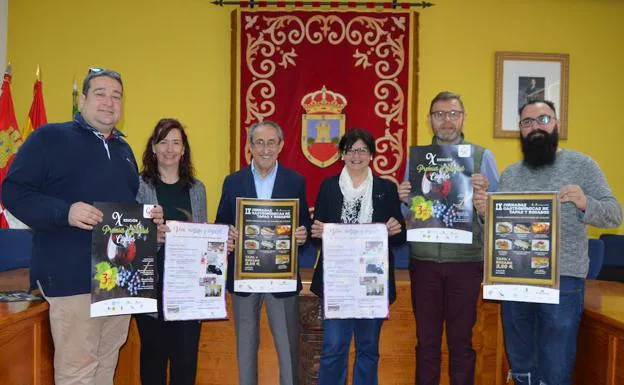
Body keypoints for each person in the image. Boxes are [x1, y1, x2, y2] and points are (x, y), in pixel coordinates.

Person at [1, 68, 164, 385]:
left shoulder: (124, 151)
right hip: (71, 276)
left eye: (116, 96)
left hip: (119, 277)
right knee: (78, 370)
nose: (109, 102)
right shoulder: (49, 138)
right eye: (101, 93)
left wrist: (148, 227)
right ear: (83, 99)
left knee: (107, 363)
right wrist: (65, 212)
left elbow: (122, 214)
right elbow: (14, 191)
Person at [474, 100, 622, 384]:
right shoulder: (510, 174)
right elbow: (498, 232)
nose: (535, 126)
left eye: (543, 118)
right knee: (521, 364)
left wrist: (584, 202)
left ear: (556, 124)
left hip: (562, 282)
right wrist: (484, 214)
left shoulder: (582, 165)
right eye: (527, 122)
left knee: (555, 366)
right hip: (515, 281)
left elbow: (615, 214)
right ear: (520, 131)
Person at [397, 91, 499, 385]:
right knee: (426, 343)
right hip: (424, 262)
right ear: (430, 120)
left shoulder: (481, 157)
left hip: (465, 264)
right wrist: (403, 198)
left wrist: (485, 199)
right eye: (439, 114)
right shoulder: (417, 159)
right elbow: (409, 214)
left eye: (453, 114)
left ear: (463, 117)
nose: (447, 120)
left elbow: (498, 214)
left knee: (461, 343)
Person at [215, 120, 311, 385]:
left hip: (282, 278)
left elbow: (305, 224)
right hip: (244, 280)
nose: (265, 149)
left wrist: (302, 233)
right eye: (259, 142)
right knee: (245, 351)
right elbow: (220, 223)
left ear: (281, 145)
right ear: (250, 146)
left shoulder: (295, 181)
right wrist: (228, 233)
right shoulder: (234, 182)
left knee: (288, 350)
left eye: (271, 142)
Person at [309, 128, 406, 385]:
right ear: (342, 154)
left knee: (368, 349)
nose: (357, 155)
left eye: (363, 149)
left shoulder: (386, 188)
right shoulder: (329, 187)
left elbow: (398, 239)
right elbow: (315, 234)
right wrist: (317, 231)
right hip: (337, 282)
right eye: (351, 150)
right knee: (333, 347)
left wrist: (396, 229)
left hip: (372, 282)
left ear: (371, 155)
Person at [134, 118, 207, 385]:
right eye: (163, 142)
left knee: (186, 360)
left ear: (184, 149)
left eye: (176, 142)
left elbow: (202, 237)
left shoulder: (197, 190)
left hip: (188, 289)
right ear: (153, 148)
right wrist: (154, 238)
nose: (169, 148)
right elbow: (128, 240)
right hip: (150, 286)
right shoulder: (139, 187)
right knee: (153, 357)